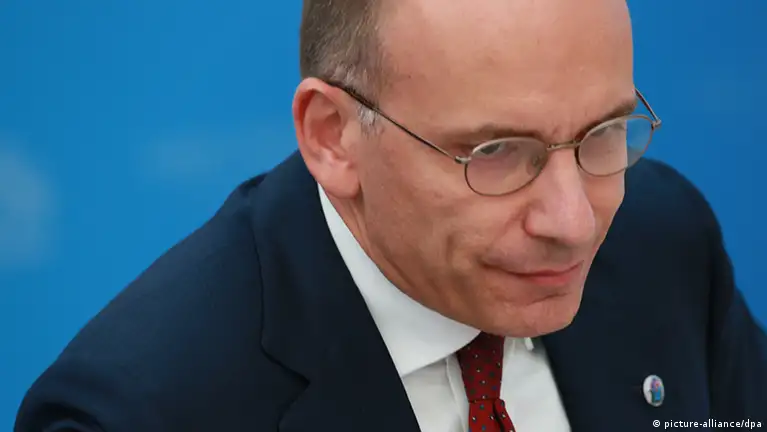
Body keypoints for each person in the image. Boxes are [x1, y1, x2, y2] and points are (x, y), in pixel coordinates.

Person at [15, 0, 767, 430]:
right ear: (332, 137)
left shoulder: (667, 243)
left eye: (603, 133)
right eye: (498, 153)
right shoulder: (138, 413)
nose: (573, 223)